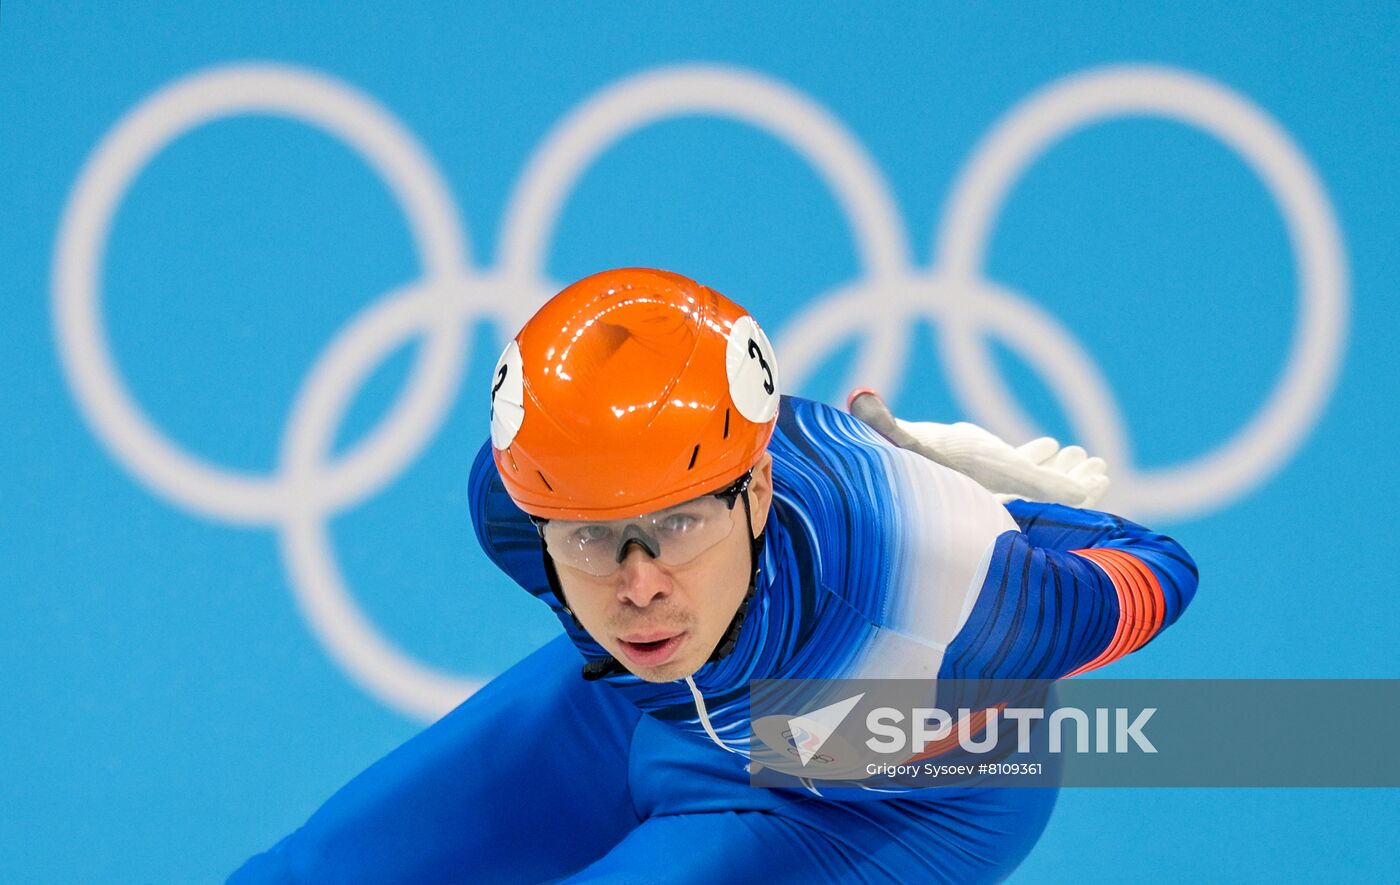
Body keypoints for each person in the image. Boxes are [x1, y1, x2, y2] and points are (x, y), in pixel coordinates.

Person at [230, 268, 1198, 883]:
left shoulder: (923, 595)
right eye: (590, 538)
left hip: (880, 803)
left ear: (757, 484)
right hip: (659, 698)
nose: (636, 584)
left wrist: (1020, 518)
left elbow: (1159, 568)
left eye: (676, 524)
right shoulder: (512, 507)